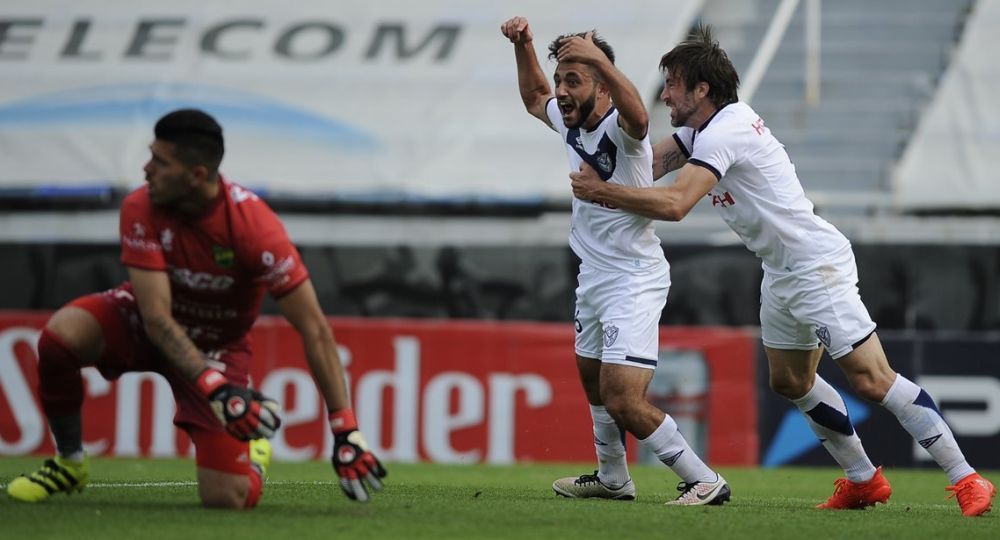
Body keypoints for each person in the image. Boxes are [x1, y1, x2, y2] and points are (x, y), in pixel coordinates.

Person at [569, 25, 996, 517]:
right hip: (781, 270)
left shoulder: (726, 130)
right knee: (790, 380)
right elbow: (643, 168)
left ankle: (966, 477)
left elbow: (673, 203)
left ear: (701, 90)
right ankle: (862, 479)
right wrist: (585, 134)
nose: (664, 94)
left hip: (815, 266)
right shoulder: (699, 131)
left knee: (873, 379)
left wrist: (602, 191)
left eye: (673, 84)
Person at [6, 109, 387, 508]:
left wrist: (347, 431)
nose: (146, 169)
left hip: (215, 348)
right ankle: (69, 462)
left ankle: (254, 451)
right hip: (146, 320)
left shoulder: (255, 230)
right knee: (59, 338)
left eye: (161, 162)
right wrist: (217, 389)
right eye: (151, 155)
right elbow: (155, 316)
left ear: (198, 175)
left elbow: (315, 330)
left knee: (228, 499)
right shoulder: (142, 206)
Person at [500, 16, 729, 506]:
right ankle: (613, 478)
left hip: (633, 278)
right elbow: (531, 95)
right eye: (561, 79)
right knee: (593, 383)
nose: (561, 90)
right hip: (594, 277)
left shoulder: (623, 131)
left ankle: (703, 478)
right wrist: (524, 44)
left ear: (601, 85)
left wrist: (598, 58)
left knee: (624, 397)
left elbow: (641, 117)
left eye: (574, 80)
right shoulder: (569, 119)